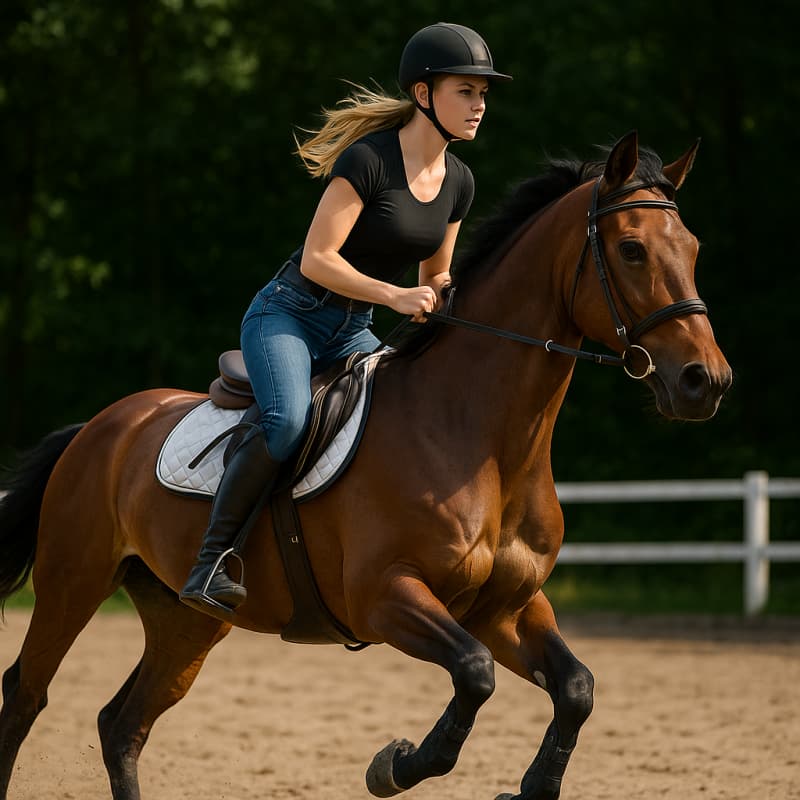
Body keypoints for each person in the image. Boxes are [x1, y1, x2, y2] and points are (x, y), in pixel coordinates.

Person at [180, 22, 513, 616]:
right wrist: (394, 297)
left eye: (483, 93)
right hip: (289, 314)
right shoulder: (369, 159)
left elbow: (434, 275)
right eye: (466, 91)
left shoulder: (458, 181)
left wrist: (457, 297)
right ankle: (210, 563)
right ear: (423, 94)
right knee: (286, 422)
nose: (479, 105)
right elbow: (318, 258)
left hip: (353, 328)